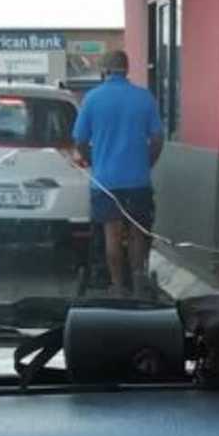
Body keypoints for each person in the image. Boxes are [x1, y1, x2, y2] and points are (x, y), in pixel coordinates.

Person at [72, 50, 164, 295]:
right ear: (127, 69)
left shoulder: (92, 99)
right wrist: (147, 164)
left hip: (106, 180)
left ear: (104, 71)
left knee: (111, 232)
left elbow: (80, 139)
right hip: (138, 180)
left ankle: (117, 285)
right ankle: (138, 280)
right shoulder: (144, 98)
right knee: (136, 233)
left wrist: (93, 160)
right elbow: (157, 138)